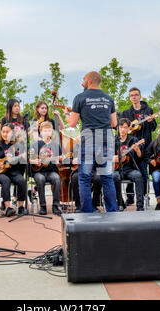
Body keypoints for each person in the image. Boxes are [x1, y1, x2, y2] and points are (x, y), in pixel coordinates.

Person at [65, 71, 118, 213]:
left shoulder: (80, 98)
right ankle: (113, 211)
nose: (82, 83)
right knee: (107, 178)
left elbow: (72, 123)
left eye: (83, 80)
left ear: (89, 81)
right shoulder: (108, 98)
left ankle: (87, 211)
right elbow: (114, 123)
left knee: (84, 178)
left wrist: (66, 115)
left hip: (89, 140)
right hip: (106, 139)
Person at [120, 87, 157, 206]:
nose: (134, 97)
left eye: (136, 95)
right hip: (130, 148)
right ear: (130, 98)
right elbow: (121, 128)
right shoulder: (126, 113)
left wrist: (150, 120)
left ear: (140, 97)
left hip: (144, 147)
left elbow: (153, 128)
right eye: (131, 95)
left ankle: (145, 196)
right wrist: (129, 129)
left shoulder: (148, 110)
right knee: (130, 171)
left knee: (143, 172)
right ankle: (130, 198)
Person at [0, 123, 28, 217]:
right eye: (3, 132)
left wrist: (22, 158)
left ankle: (21, 207)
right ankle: (8, 208)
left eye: (7, 132)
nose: (4, 134)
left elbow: (21, 164)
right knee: (5, 180)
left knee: (21, 180)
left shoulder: (18, 146)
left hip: (13, 171)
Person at [29, 121, 63, 215]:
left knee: (56, 178)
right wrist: (34, 161)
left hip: (51, 171)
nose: (48, 132)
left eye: (49, 130)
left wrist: (58, 162)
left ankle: (55, 206)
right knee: (40, 179)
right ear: (41, 132)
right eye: (45, 130)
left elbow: (59, 163)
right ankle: (43, 206)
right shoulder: (35, 144)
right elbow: (29, 159)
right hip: (38, 171)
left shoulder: (56, 145)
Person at [113, 118, 145, 211]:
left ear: (129, 129)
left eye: (125, 127)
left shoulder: (133, 140)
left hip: (130, 169)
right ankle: (120, 203)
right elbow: (107, 155)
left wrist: (137, 150)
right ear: (118, 128)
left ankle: (140, 206)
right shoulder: (113, 140)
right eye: (121, 127)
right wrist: (115, 158)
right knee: (114, 176)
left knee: (138, 175)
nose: (123, 129)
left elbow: (140, 156)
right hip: (116, 169)